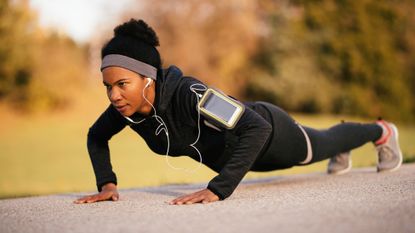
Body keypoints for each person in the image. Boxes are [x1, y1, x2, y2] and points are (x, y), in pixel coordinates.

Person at [74, 19, 403, 205]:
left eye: (122, 84)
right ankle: (344, 142)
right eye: (108, 87)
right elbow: (95, 136)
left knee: (323, 144)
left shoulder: (191, 94)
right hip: (244, 159)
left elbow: (256, 128)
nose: (113, 95)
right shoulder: (126, 110)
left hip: (273, 135)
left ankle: (382, 132)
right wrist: (107, 184)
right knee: (327, 143)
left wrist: (218, 188)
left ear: (148, 78)